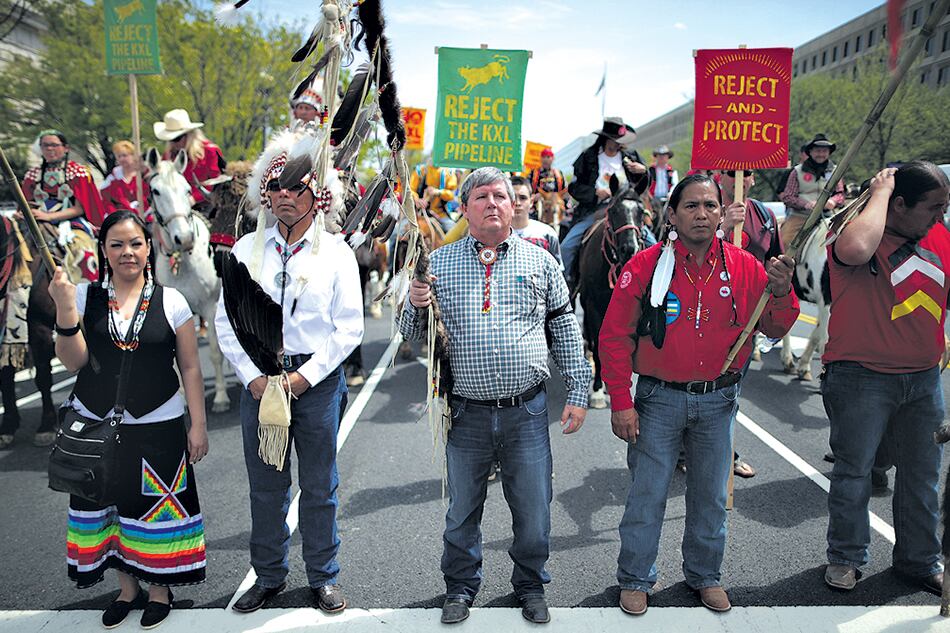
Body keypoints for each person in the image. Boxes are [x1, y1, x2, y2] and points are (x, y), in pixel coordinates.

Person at [599, 174, 798, 616]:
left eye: (710, 205)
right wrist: (620, 400)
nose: (702, 214)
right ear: (672, 215)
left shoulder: (746, 267)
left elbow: (775, 327)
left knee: (710, 496)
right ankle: (635, 578)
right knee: (647, 495)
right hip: (657, 401)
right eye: (691, 206)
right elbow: (614, 337)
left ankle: (705, 575)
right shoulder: (645, 266)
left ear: (722, 211)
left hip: (719, 403)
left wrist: (782, 292)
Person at [400, 167, 591, 626]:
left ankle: (530, 585)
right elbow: (411, 336)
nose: (492, 203)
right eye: (481, 196)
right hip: (464, 414)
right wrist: (414, 302)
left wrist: (580, 389)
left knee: (533, 509)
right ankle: (461, 587)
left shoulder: (541, 261)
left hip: (527, 412)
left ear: (512, 206)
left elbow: (565, 329)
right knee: (462, 510)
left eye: (500, 196)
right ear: (464, 209)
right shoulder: (439, 265)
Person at [216, 129, 363, 616]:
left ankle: (323, 576)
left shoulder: (337, 253)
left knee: (319, 484)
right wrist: (253, 379)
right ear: (265, 192)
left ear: (316, 194)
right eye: (275, 186)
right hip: (259, 384)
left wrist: (303, 379)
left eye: (296, 187)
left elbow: (349, 330)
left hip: (314, 385)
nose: (283, 195)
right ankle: (269, 576)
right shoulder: (244, 251)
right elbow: (225, 322)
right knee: (266, 486)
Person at [48, 210, 209, 629]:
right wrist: (66, 313)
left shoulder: (172, 301)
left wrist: (198, 424)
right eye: (116, 244)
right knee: (110, 508)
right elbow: (73, 362)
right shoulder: (84, 297)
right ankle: (127, 588)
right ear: (103, 250)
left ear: (148, 246)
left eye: (135, 243)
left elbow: (191, 368)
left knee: (154, 510)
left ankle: (159, 589)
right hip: (98, 429)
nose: (127, 252)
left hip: (159, 425)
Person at [821, 162, 950, 595]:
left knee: (922, 474)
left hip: (924, 379)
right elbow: (855, 250)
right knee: (854, 472)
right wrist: (879, 192)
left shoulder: (939, 237)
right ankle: (846, 557)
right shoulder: (857, 230)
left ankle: (918, 560)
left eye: (944, 208)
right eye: (933, 207)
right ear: (898, 204)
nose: (939, 216)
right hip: (860, 377)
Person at [719, 169, 786, 478]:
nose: (738, 180)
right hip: (705, 317)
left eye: (744, 175)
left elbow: (775, 256)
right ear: (719, 177)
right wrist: (722, 227)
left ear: (753, 180)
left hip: (747, 320)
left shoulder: (765, 214)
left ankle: (722, 451)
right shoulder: (702, 203)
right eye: (730, 174)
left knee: (731, 391)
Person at [563, 117, 649, 287]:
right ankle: (568, 285)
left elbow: (643, 186)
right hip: (594, 210)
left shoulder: (631, 157)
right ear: (606, 138)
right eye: (615, 140)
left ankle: (649, 288)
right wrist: (595, 193)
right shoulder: (588, 156)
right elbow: (574, 187)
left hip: (626, 209)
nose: (618, 144)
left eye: (620, 141)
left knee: (652, 243)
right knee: (566, 246)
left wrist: (644, 171)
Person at [22, 129, 105, 283]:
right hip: (37, 222)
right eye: (45, 145)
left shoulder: (78, 172)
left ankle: (87, 293)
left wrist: (49, 216)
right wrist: (23, 213)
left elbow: (80, 208)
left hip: (71, 223)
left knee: (83, 253)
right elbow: (26, 203)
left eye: (54, 145)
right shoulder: (31, 175)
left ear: (65, 148)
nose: (49, 149)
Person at [779, 133, 845, 246]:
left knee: (847, 237)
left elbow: (841, 194)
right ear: (810, 152)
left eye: (824, 151)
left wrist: (833, 201)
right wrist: (806, 204)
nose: (821, 154)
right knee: (784, 241)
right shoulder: (797, 171)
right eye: (818, 151)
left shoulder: (835, 171)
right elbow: (788, 197)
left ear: (829, 153)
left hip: (829, 215)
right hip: (801, 215)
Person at [154, 109, 225, 210]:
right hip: (177, 206)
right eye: (170, 139)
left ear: (190, 135)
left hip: (208, 205)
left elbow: (216, 182)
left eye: (177, 138)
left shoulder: (210, 151)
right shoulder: (168, 156)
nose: (174, 143)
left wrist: (194, 198)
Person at [510, 175, 563, 268]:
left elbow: (557, 272)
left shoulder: (548, 233)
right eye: (513, 198)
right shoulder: (493, 235)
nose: (517, 203)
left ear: (531, 202)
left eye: (523, 198)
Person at [99, 140, 151, 219]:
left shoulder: (143, 175)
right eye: (119, 156)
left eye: (124, 155)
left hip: (144, 216)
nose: (122, 159)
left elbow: (149, 197)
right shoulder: (113, 178)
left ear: (133, 155)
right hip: (120, 218)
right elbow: (106, 201)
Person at [410, 158, 459, 233]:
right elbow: (410, 190)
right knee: (397, 234)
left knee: (453, 232)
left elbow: (452, 194)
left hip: (440, 214)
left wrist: (438, 192)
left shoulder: (448, 172)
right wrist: (416, 200)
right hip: (418, 214)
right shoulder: (420, 170)